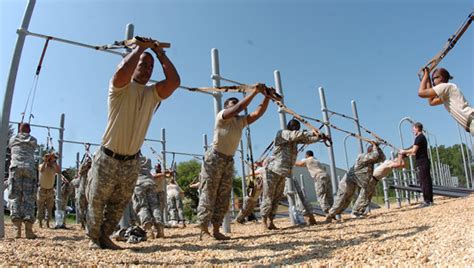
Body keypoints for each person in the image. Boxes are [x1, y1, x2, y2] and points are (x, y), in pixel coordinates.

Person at [86, 38, 180, 250]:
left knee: (119, 203)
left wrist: (160, 55)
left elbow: (174, 82)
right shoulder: (119, 88)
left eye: (150, 67)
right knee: (97, 200)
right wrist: (141, 49)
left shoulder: (151, 93)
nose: (147, 69)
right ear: (134, 63)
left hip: (131, 161)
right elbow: (121, 72)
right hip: (108, 156)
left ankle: (104, 236)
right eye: (142, 65)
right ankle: (93, 238)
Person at [197, 84, 271, 240]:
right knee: (208, 194)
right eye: (233, 106)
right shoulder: (222, 117)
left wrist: (266, 97)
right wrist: (254, 92)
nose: (236, 110)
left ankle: (216, 230)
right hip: (214, 158)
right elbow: (238, 108)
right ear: (226, 108)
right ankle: (203, 230)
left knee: (223, 197)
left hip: (228, 160)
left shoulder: (240, 121)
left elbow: (257, 113)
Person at [260, 119, 325, 231]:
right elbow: (296, 135)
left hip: (283, 172)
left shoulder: (296, 138)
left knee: (276, 197)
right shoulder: (282, 133)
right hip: (272, 170)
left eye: (297, 126)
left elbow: (308, 139)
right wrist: (311, 131)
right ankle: (264, 220)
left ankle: (271, 221)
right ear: (289, 127)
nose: (296, 128)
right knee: (268, 196)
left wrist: (319, 136)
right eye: (294, 126)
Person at [325, 142, 385, 223]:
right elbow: (375, 155)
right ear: (370, 151)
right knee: (342, 200)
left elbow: (382, 158)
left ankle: (356, 212)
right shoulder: (363, 156)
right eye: (376, 151)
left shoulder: (371, 160)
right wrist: (375, 146)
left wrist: (378, 147)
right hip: (348, 181)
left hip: (358, 181)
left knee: (365, 193)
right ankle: (330, 214)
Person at [417, 67, 473, 135]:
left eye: (433, 79)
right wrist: (428, 79)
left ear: (441, 78)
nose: (433, 82)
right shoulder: (447, 93)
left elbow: (421, 93)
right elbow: (431, 102)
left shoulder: (445, 86)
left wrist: (425, 75)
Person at [351, 152, 406, 217]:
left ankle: (360, 212)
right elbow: (400, 164)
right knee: (364, 196)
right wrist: (400, 155)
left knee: (368, 197)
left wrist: (401, 156)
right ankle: (355, 212)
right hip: (371, 179)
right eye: (398, 159)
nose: (399, 160)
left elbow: (402, 165)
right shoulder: (389, 163)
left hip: (373, 180)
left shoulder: (388, 162)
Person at [7, 123, 38, 239]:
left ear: (19, 129)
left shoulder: (13, 138)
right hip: (29, 169)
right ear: (29, 130)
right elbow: (33, 146)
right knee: (29, 197)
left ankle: (17, 231)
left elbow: (11, 145)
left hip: (15, 168)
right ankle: (29, 231)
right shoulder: (33, 139)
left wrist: (19, 132)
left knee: (15, 197)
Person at [400, 122, 433, 207]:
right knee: (426, 181)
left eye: (413, 129)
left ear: (417, 128)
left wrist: (404, 151)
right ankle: (429, 200)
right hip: (424, 161)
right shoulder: (422, 138)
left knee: (424, 182)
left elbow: (414, 150)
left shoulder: (419, 138)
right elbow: (415, 152)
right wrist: (407, 154)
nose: (413, 131)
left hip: (422, 162)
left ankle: (427, 201)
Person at [132, 156, 163, 239]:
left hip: (139, 183)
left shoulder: (132, 159)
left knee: (142, 206)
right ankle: (159, 227)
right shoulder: (147, 159)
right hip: (150, 182)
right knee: (155, 206)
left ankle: (148, 229)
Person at [37, 152, 60, 229]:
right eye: (52, 159)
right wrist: (45, 161)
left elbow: (59, 171)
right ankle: (40, 222)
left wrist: (55, 161)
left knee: (49, 207)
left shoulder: (54, 167)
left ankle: (47, 223)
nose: (52, 160)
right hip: (42, 189)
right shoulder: (42, 165)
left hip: (50, 190)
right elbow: (41, 170)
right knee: (40, 207)